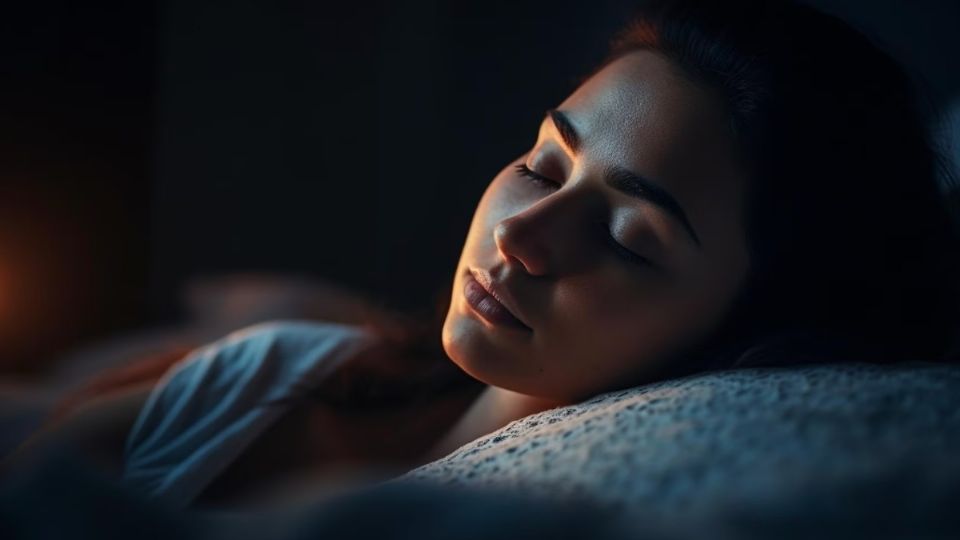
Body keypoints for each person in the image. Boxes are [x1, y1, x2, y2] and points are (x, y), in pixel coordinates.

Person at [6, 0, 960, 509]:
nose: (519, 237)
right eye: (545, 167)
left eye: (630, 237)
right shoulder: (276, 372)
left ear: (747, 325)